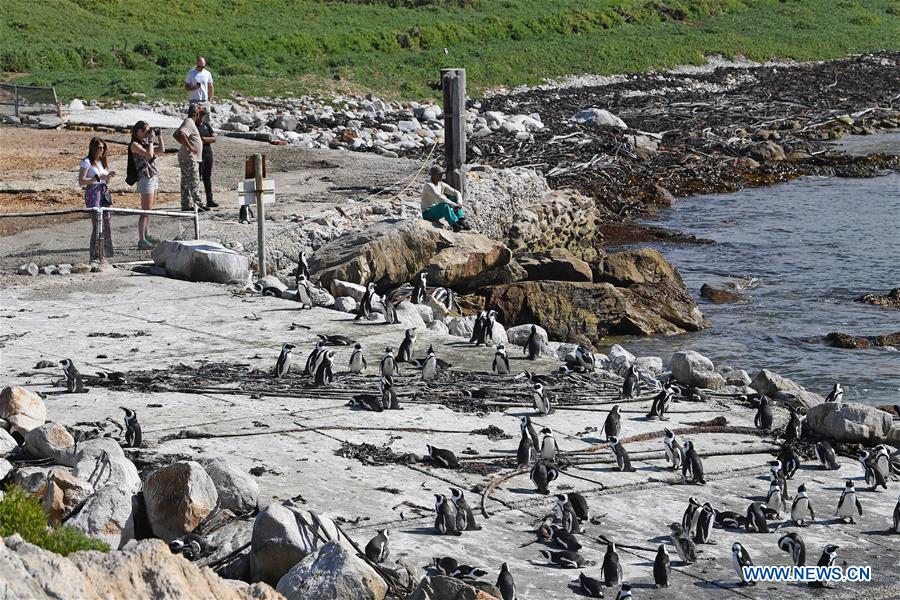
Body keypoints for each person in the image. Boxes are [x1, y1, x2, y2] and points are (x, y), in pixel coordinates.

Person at [78, 137, 115, 261]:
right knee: (96, 223)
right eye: (100, 148)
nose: (102, 150)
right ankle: (94, 255)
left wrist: (108, 176)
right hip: (93, 193)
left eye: (104, 148)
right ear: (93, 148)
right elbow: (81, 181)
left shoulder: (102, 162)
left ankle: (104, 254)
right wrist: (96, 178)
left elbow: (105, 180)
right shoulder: (87, 161)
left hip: (103, 192)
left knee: (106, 222)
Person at [128, 121, 164, 248]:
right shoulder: (134, 144)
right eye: (144, 131)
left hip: (153, 177)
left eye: (148, 131)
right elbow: (149, 155)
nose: (146, 133)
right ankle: (141, 240)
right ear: (137, 131)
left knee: (149, 210)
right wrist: (150, 140)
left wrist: (159, 136)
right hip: (145, 178)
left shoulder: (145, 143)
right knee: (145, 211)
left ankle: (147, 234)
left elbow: (161, 150)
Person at [173, 104, 205, 211]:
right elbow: (181, 134)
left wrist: (185, 145)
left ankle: (186, 204)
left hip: (187, 157)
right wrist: (190, 147)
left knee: (186, 182)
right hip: (190, 158)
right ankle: (198, 204)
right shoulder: (189, 122)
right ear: (196, 114)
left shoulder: (188, 122)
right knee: (194, 181)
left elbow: (176, 134)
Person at [421, 164, 470, 232]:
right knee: (443, 205)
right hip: (428, 213)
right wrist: (454, 205)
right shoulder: (429, 185)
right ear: (433, 175)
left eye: (442, 174)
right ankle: (454, 224)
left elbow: (456, 192)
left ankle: (461, 219)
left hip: (436, 210)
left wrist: (459, 202)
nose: (442, 175)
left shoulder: (441, 184)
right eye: (439, 174)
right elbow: (439, 197)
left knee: (454, 197)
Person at [196, 107, 218, 208]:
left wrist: (204, 139)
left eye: (203, 115)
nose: (202, 117)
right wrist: (206, 140)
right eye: (201, 114)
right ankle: (197, 201)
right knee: (197, 178)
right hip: (199, 155)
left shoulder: (206, 126)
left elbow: (214, 138)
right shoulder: (194, 126)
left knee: (207, 178)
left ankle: (210, 200)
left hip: (208, 154)